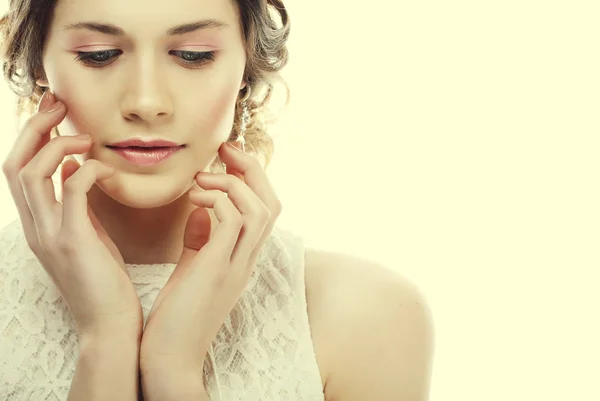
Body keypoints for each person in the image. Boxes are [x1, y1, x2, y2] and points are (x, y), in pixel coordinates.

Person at [0, 0, 435, 399]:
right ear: (39, 64)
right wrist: (106, 340)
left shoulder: (367, 315)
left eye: (193, 55)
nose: (147, 102)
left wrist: (174, 370)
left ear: (247, 67)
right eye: (99, 54)